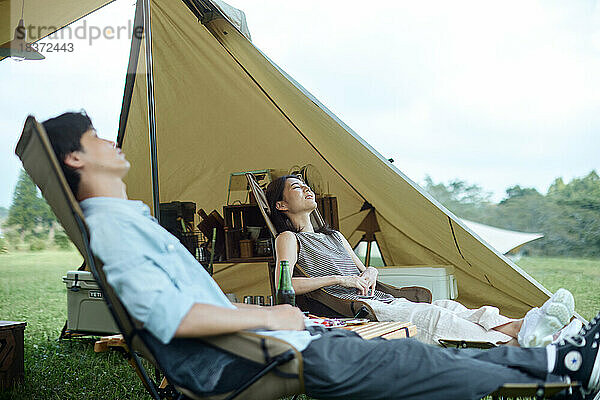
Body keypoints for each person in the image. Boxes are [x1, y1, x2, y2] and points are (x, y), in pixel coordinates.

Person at [42, 111, 600, 400]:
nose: (113, 141)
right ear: (73, 158)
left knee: (424, 346)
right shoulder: (115, 233)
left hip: (265, 343)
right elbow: (172, 318)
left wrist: (345, 287)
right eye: (97, 137)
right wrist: (272, 314)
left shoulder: (127, 224)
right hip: (243, 359)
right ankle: (556, 366)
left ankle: (553, 360)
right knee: (412, 358)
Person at [265, 174, 579, 347]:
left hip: (380, 298)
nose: (306, 188)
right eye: (296, 187)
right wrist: (339, 280)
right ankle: (540, 337)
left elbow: (365, 269)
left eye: (305, 184)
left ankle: (533, 332)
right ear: (281, 204)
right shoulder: (288, 239)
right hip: (364, 311)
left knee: (452, 309)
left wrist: (370, 272)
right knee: (438, 321)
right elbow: (286, 285)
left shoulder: (334, 236)